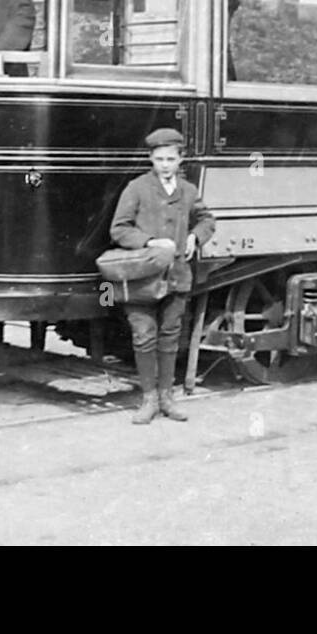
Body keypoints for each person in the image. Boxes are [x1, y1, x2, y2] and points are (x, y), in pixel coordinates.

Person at [109, 128, 216, 424]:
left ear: (181, 160)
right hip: (143, 278)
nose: (165, 165)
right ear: (150, 159)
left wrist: (196, 236)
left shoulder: (188, 191)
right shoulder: (137, 188)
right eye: (159, 159)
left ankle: (168, 399)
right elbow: (119, 229)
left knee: (170, 337)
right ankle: (148, 400)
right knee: (144, 337)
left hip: (178, 276)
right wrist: (148, 242)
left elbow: (207, 220)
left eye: (171, 159)